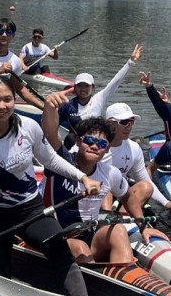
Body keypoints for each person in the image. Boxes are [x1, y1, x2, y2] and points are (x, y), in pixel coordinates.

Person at [0, 74, 97, 296]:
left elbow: (50, 159)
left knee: (61, 252)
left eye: (8, 99)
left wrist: (83, 177)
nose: (2, 106)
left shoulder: (28, 127)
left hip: (30, 210)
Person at [41, 103, 137, 263]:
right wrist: (50, 107)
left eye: (101, 144)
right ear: (78, 141)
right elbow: (51, 135)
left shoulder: (110, 173)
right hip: (54, 235)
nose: (94, 146)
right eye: (90, 140)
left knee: (119, 231)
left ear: (107, 149)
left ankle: (120, 279)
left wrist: (142, 225)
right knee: (80, 249)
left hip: (88, 235)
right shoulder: (61, 163)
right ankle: (98, 284)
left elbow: (127, 196)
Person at [0, 17, 50, 114]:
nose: (4, 35)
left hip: (2, 108)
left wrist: (43, 107)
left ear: (13, 36)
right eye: (1, 31)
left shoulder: (15, 61)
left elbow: (21, 90)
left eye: (9, 33)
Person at [58, 45, 144, 132]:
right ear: (75, 88)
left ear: (93, 88)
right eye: (80, 85)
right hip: (76, 142)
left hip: (96, 142)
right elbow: (54, 124)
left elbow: (116, 81)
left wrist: (131, 61)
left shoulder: (99, 99)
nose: (83, 89)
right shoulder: (68, 105)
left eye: (87, 86)